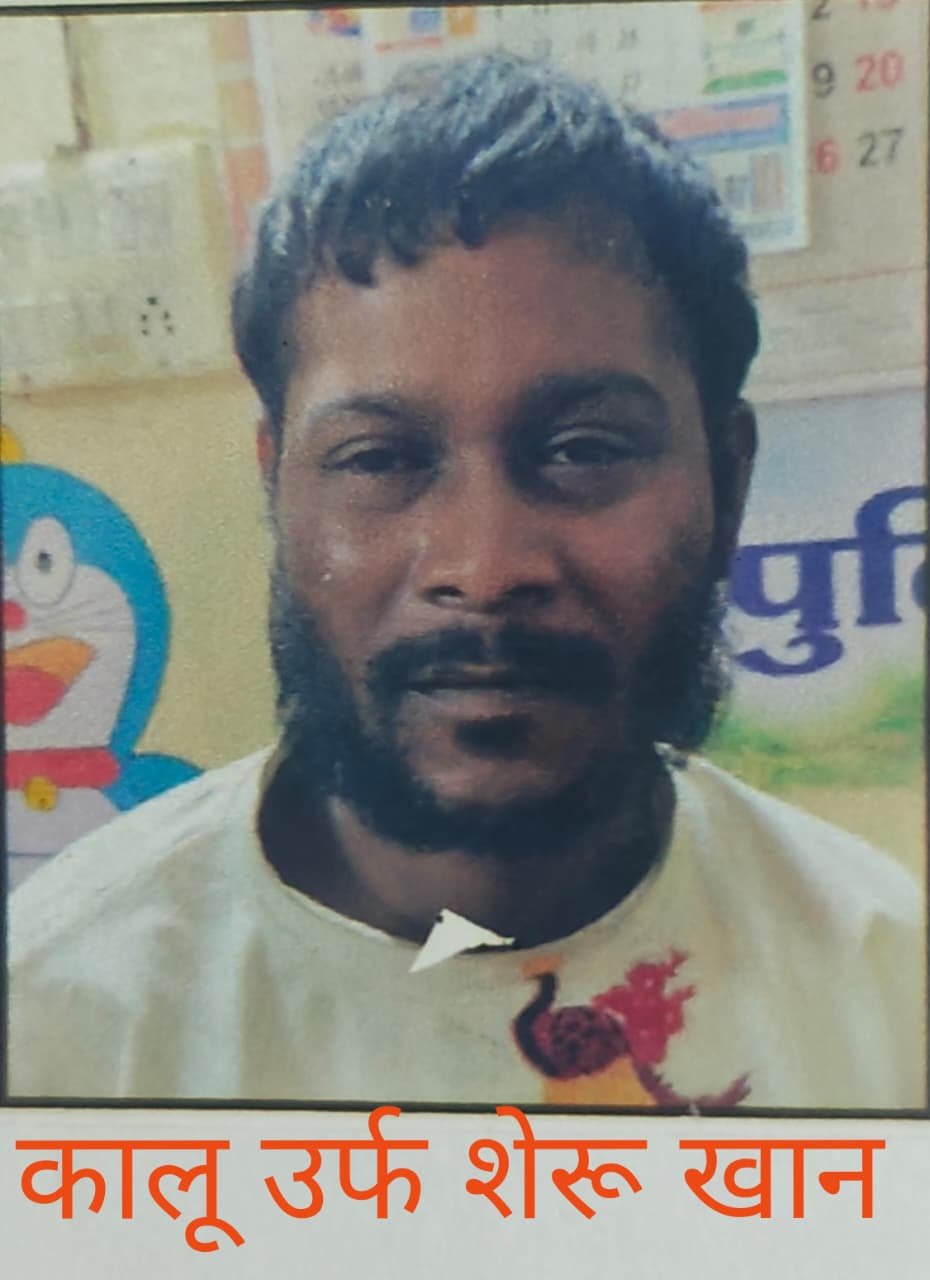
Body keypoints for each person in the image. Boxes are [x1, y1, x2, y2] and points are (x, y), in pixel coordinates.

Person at [8, 54, 922, 1109]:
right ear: (278, 490)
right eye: (381, 459)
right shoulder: (55, 1023)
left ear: (728, 481)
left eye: (582, 450)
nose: (485, 570)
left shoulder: (887, 988)